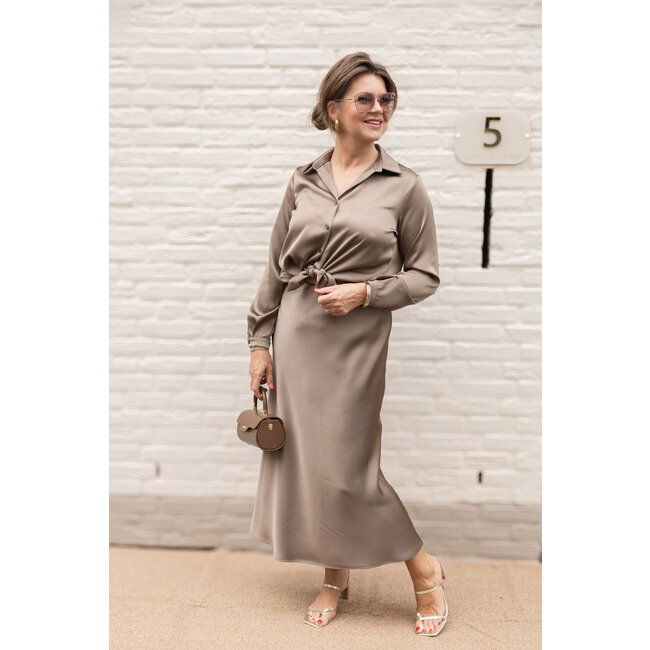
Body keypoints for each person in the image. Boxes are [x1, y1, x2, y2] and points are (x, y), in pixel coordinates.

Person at [246, 51, 448, 637]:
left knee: (346, 468)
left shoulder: (405, 187)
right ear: (334, 109)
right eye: (366, 98)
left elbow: (425, 276)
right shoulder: (302, 180)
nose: (379, 108)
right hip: (297, 337)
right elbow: (276, 269)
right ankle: (335, 574)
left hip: (356, 342)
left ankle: (424, 568)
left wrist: (366, 293)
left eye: (386, 99)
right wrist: (259, 343)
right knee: (310, 463)